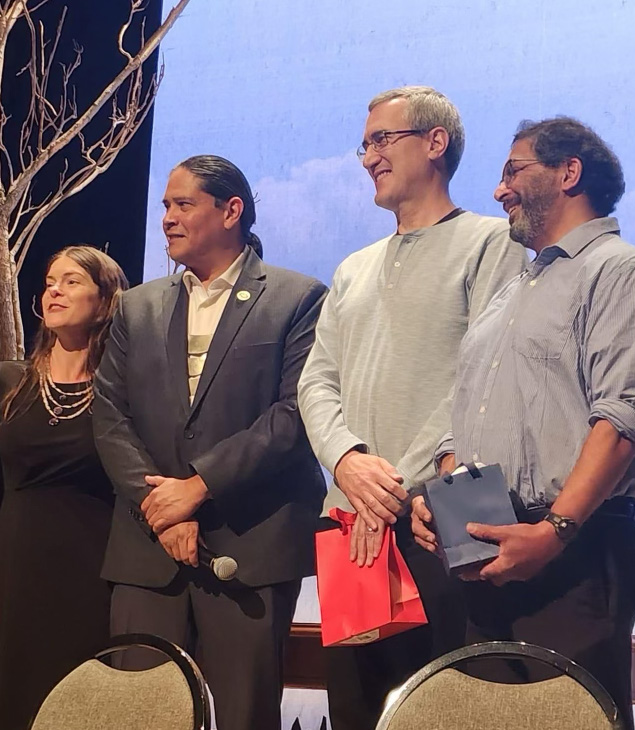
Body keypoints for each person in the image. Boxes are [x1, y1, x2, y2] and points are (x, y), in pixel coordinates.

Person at [412, 116, 635, 730]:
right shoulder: (512, 291)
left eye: (512, 171)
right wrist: (444, 498)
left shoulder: (619, 271)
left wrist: (554, 530)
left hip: (573, 554)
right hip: (487, 550)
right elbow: (464, 418)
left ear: (568, 172)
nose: (499, 190)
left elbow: (626, 417)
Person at [297, 86, 528, 729]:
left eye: (381, 140)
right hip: (351, 519)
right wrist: (347, 462)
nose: (368, 156)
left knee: (451, 703)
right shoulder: (352, 268)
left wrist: (392, 483)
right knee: (356, 707)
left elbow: (484, 377)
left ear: (435, 143)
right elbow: (317, 383)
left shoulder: (493, 243)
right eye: (364, 143)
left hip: (450, 507)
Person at [92, 154, 328, 730]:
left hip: (249, 547)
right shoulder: (138, 305)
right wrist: (165, 511)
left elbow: (294, 416)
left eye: (183, 204)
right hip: (149, 548)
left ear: (231, 211)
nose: (168, 218)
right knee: (140, 712)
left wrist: (198, 488)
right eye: (165, 206)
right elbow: (110, 414)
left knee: (245, 714)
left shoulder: (297, 298)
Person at [0, 245, 128, 730]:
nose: (54, 289)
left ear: (105, 299)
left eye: (72, 281)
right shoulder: (10, 382)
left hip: (89, 570)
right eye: (51, 281)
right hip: (15, 562)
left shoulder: (121, 391)